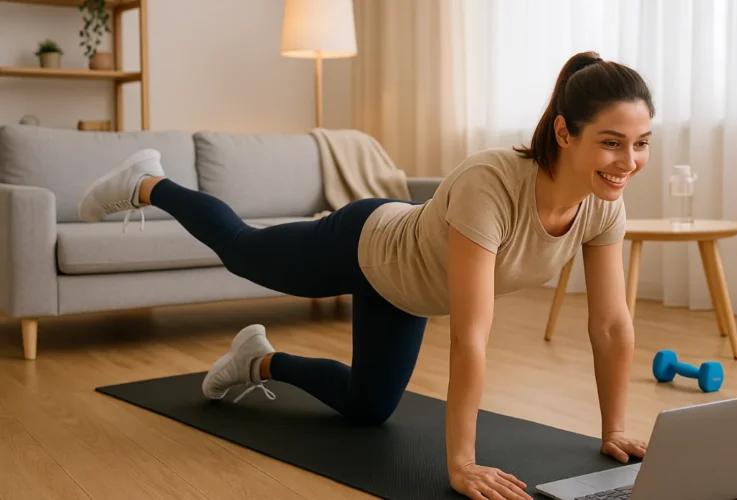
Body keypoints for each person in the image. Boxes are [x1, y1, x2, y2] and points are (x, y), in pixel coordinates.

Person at [78, 50, 655, 500]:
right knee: (242, 251)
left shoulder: (604, 203)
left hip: (405, 291)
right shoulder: (492, 184)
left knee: (367, 409)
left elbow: (609, 324)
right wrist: (461, 464)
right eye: (611, 143)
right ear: (563, 132)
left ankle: (256, 360)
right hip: (367, 243)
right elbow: (470, 335)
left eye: (640, 144)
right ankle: (148, 181)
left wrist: (615, 428)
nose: (628, 162)